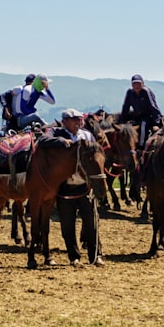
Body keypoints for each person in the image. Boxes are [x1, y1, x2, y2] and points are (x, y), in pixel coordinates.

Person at [37, 108, 104, 266]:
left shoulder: (87, 135)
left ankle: (96, 255)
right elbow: (43, 140)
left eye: (80, 119)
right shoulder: (57, 133)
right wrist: (61, 141)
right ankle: (74, 256)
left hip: (84, 187)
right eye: (74, 120)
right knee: (67, 225)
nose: (78, 122)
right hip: (65, 187)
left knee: (92, 223)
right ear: (65, 121)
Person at [120, 74, 163, 149]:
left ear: (142, 84)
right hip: (137, 117)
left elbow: (153, 107)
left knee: (143, 125)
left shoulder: (146, 92)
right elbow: (125, 107)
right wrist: (122, 121)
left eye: (138, 83)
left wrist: (156, 123)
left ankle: (141, 147)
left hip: (149, 117)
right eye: (134, 83)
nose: (136, 86)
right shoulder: (130, 92)